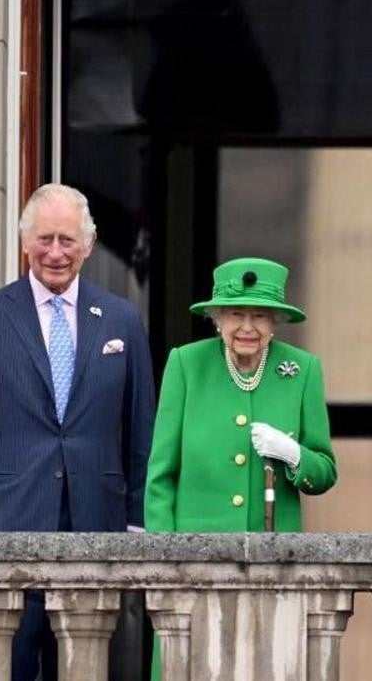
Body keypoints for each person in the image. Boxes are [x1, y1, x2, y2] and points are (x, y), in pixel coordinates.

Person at [0, 183, 156, 681]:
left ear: (88, 244)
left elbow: (141, 430)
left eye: (66, 240)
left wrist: (136, 522)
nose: (55, 253)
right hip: (4, 530)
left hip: (95, 530)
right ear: (24, 243)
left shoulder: (122, 319)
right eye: (44, 239)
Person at [144, 257, 337, 676]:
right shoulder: (186, 364)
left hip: (273, 565)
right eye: (236, 314)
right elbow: (161, 476)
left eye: (259, 316)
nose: (247, 326)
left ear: (275, 322)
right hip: (193, 563)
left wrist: (293, 454)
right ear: (217, 318)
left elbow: (324, 472)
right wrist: (166, 558)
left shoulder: (302, 370)